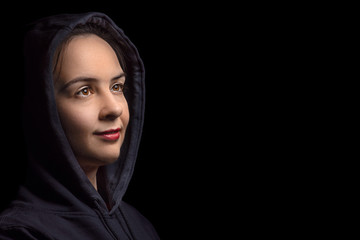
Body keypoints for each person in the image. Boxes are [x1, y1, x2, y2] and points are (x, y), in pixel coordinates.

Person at [0, 12, 160, 239]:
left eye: (117, 87)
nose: (114, 108)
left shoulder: (140, 225)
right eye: (84, 91)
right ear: (38, 108)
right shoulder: (21, 233)